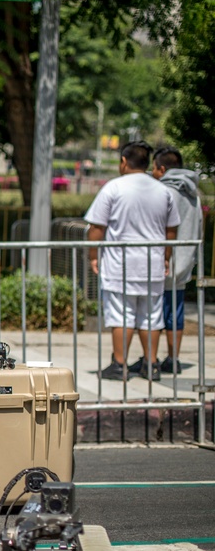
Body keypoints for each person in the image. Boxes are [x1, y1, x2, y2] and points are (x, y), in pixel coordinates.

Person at [85, 141, 180, 382]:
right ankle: (151, 364)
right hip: (153, 263)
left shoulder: (114, 188)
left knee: (121, 315)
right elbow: (171, 230)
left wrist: (93, 255)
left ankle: (119, 364)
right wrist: (166, 257)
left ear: (124, 162)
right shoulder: (163, 190)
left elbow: (97, 226)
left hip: (121, 264)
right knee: (152, 316)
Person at [149, 146, 202, 374]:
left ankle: (149, 360)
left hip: (161, 261)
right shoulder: (193, 195)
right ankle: (173, 359)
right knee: (175, 314)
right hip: (184, 263)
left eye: (154, 168)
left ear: (162, 168)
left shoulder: (162, 192)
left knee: (151, 315)